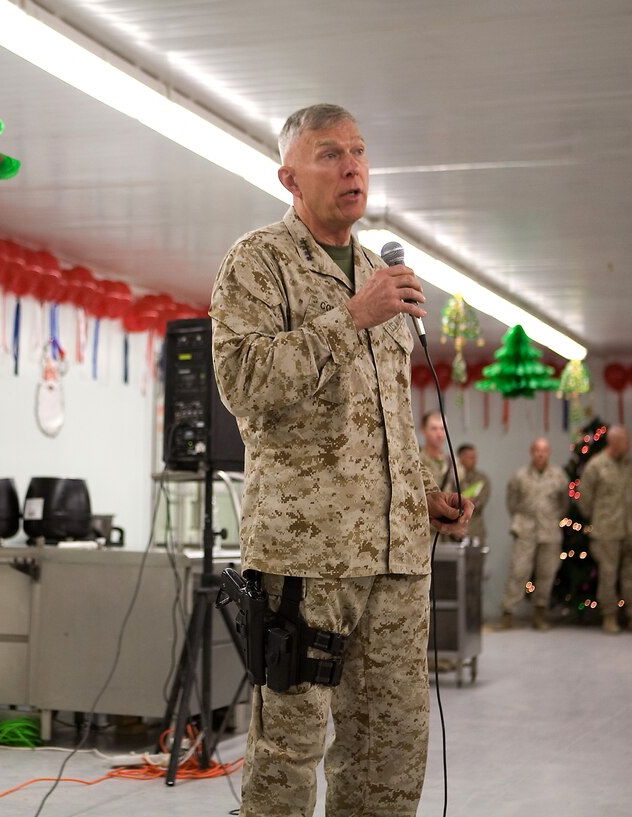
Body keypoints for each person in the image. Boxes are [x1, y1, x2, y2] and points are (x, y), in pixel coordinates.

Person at [211, 103, 472, 817]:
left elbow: (384, 415)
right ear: (289, 176)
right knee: (288, 759)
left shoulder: (377, 273)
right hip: (306, 560)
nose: (352, 165)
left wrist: (423, 493)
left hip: (395, 562)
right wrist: (351, 316)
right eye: (330, 153)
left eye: (358, 152)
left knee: (389, 752)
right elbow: (243, 383)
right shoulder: (259, 262)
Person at [497, 437, 568, 631]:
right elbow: (512, 503)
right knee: (518, 571)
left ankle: (539, 614)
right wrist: (521, 520)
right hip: (525, 530)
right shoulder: (520, 476)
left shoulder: (559, 476)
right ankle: (507, 614)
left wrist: (553, 519)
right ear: (531, 452)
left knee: (547, 573)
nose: (540, 454)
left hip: (550, 530)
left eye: (544, 450)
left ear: (549, 452)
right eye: (537, 450)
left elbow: (564, 503)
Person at [577, 426, 631, 634]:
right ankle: (609, 616)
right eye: (626, 441)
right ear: (614, 443)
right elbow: (585, 499)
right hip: (606, 531)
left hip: (629, 529)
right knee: (608, 575)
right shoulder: (596, 466)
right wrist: (598, 519)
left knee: (630, 575)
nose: (628, 445)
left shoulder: (628, 464)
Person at [455, 443, 491, 546]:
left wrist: (460, 500)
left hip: (475, 532)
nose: (474, 460)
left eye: (475, 457)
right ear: (460, 458)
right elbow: (447, 500)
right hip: (452, 534)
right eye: (470, 457)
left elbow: (478, 503)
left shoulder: (482, 479)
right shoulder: (451, 477)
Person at [418, 409, 449, 490]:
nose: (439, 434)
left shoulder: (452, 462)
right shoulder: (416, 460)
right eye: (434, 428)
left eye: (442, 428)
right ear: (423, 430)